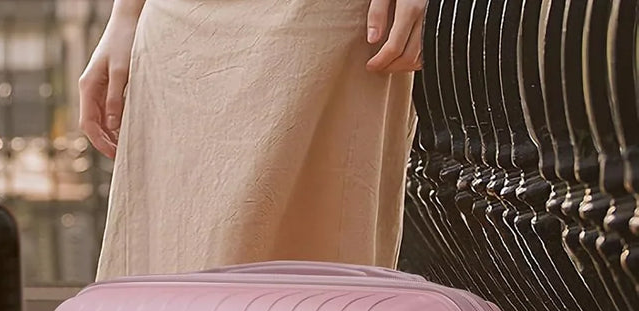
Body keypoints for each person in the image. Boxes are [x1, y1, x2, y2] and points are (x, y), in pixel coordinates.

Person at [80, 0, 426, 276]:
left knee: (304, 296)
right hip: (176, 30)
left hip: (321, 23)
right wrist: (124, 16)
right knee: (168, 286)